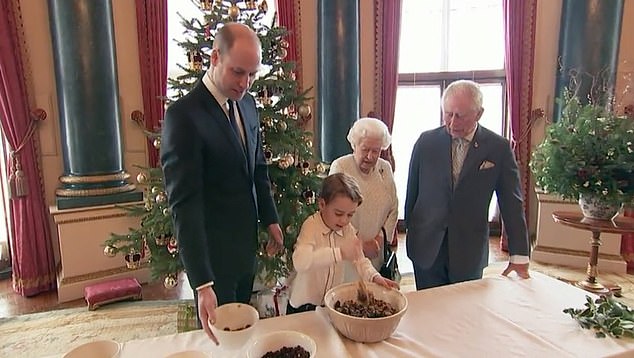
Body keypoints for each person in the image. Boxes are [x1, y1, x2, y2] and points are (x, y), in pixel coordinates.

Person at [160, 23, 283, 344]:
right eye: (237, 73)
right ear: (215, 57)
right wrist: (202, 283)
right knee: (225, 339)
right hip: (213, 258)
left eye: (252, 75)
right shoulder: (183, 117)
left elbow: (257, 167)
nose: (245, 84)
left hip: (246, 247)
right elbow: (184, 206)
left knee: (244, 328)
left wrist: (269, 218)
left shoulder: (248, 104)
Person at [404, 79, 530, 290]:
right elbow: (412, 193)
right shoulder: (426, 143)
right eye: (448, 114)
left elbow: (512, 202)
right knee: (427, 312)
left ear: (479, 114)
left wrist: (519, 253)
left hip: (468, 250)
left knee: (465, 313)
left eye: (460, 116)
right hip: (426, 247)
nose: (453, 123)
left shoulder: (498, 148)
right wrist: (412, 231)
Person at [287, 173, 399, 314]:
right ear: (322, 204)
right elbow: (300, 262)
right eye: (339, 214)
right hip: (302, 306)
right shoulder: (311, 226)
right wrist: (338, 253)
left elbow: (360, 260)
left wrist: (374, 277)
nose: (345, 221)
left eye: (350, 215)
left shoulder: (347, 229)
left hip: (329, 304)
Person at [329, 117, 398, 281]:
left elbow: (393, 208)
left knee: (374, 295)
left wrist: (379, 240)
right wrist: (359, 245)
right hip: (348, 252)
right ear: (354, 145)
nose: (370, 156)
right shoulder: (341, 167)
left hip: (377, 251)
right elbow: (334, 212)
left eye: (376, 151)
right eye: (365, 149)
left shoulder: (384, 168)